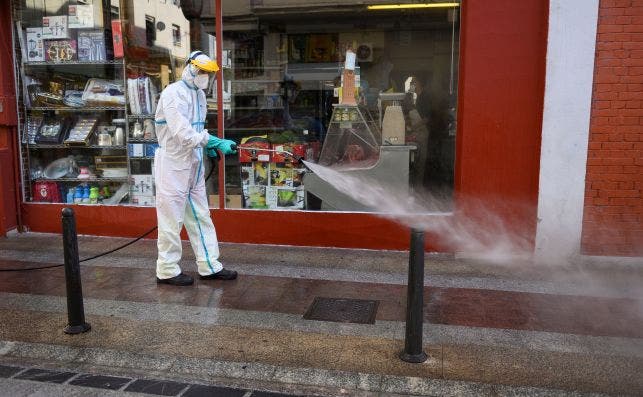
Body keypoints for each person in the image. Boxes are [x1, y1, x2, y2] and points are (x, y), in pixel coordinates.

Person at [153, 50, 238, 286]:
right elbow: (182, 134)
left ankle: (210, 265)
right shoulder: (172, 94)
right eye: (201, 71)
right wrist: (214, 142)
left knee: (201, 215)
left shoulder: (199, 95)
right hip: (172, 163)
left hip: (193, 162)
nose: (204, 76)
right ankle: (167, 270)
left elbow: (197, 130)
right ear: (189, 67)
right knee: (172, 220)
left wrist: (207, 145)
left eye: (208, 73)